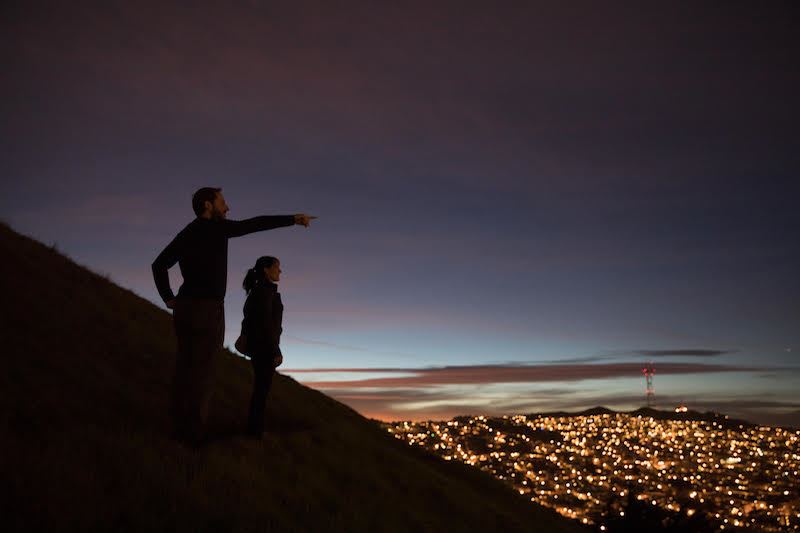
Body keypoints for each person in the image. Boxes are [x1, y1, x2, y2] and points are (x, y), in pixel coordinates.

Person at [151, 187, 315, 447]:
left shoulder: (187, 232)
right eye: (223, 203)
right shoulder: (216, 229)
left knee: (185, 368)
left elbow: (158, 265)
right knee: (203, 372)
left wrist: (169, 298)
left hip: (185, 308)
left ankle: (178, 428)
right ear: (208, 205)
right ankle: (192, 436)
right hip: (207, 310)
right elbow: (255, 224)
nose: (227, 208)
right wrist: (293, 219)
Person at [240, 256, 284, 438]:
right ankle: (255, 432)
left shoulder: (259, 291)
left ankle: (255, 429)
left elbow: (249, 319)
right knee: (261, 391)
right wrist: (276, 350)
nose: (280, 271)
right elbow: (267, 325)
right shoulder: (264, 292)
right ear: (266, 269)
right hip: (264, 348)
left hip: (260, 347)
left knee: (260, 390)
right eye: (277, 267)